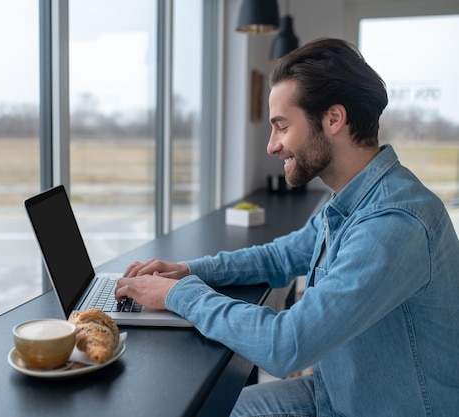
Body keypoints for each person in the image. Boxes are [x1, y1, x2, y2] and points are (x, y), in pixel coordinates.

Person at [115, 37, 459, 416]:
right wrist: (189, 270)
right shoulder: (353, 197)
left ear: (333, 119)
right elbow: (283, 256)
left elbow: (286, 345)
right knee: (215, 408)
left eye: (281, 127)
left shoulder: (393, 224)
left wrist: (179, 294)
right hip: (336, 393)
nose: (271, 146)